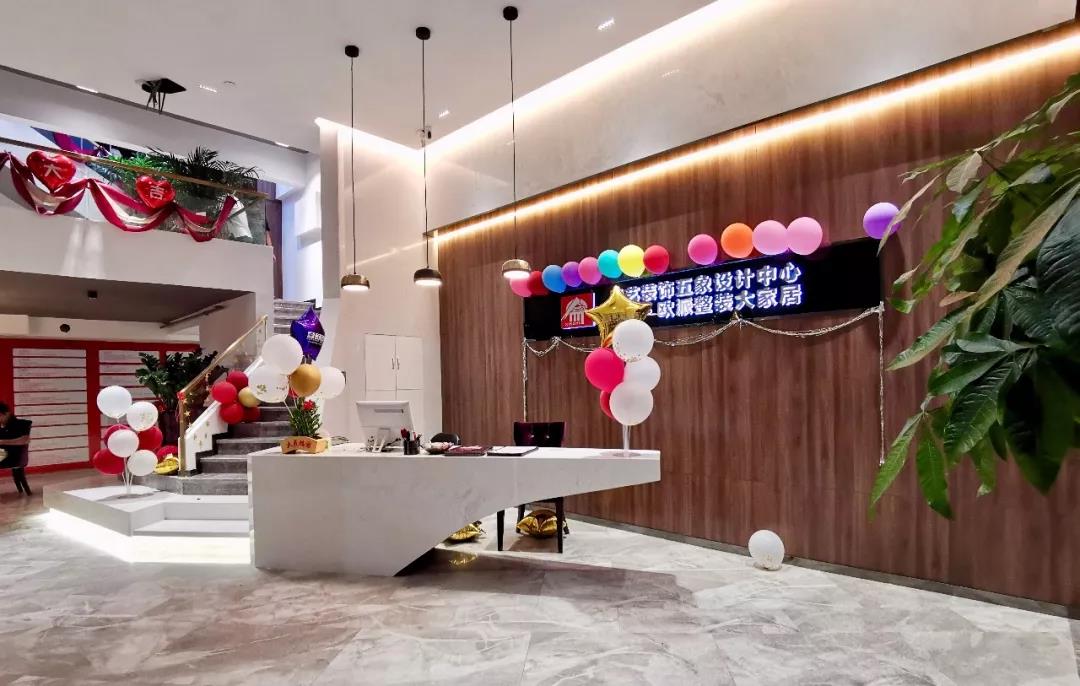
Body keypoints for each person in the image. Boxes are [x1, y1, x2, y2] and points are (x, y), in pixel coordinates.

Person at [0, 402, 33, 495]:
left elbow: (25, 440)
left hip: (14, 457)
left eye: (0, 416)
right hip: (2, 454)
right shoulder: (2, 427)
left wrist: (2, 442)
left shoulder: (21, 424)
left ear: (7, 413)